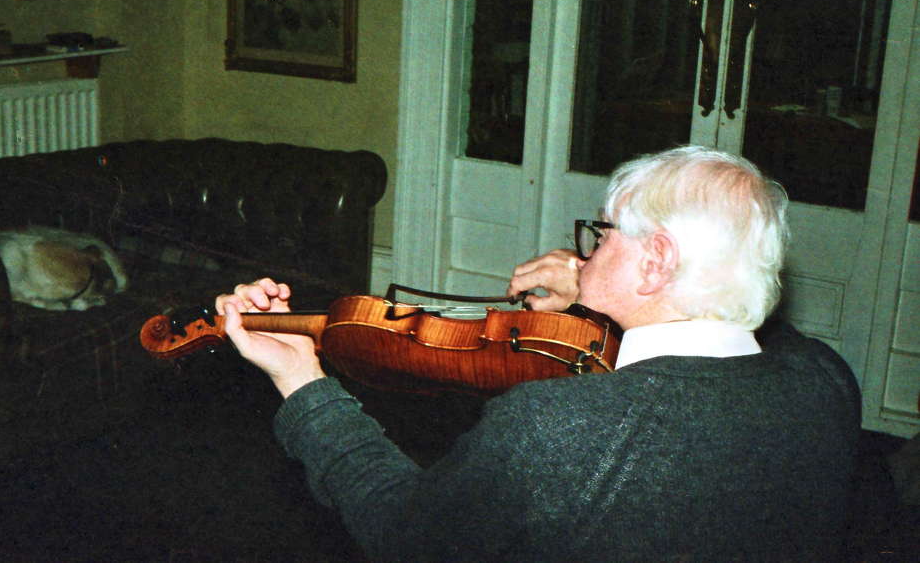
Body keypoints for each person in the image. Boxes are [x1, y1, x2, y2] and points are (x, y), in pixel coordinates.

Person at [216, 145, 860, 561]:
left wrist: (303, 379)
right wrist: (601, 284)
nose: (588, 250)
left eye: (603, 235)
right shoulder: (825, 381)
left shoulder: (561, 426)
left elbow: (405, 534)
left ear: (657, 262)